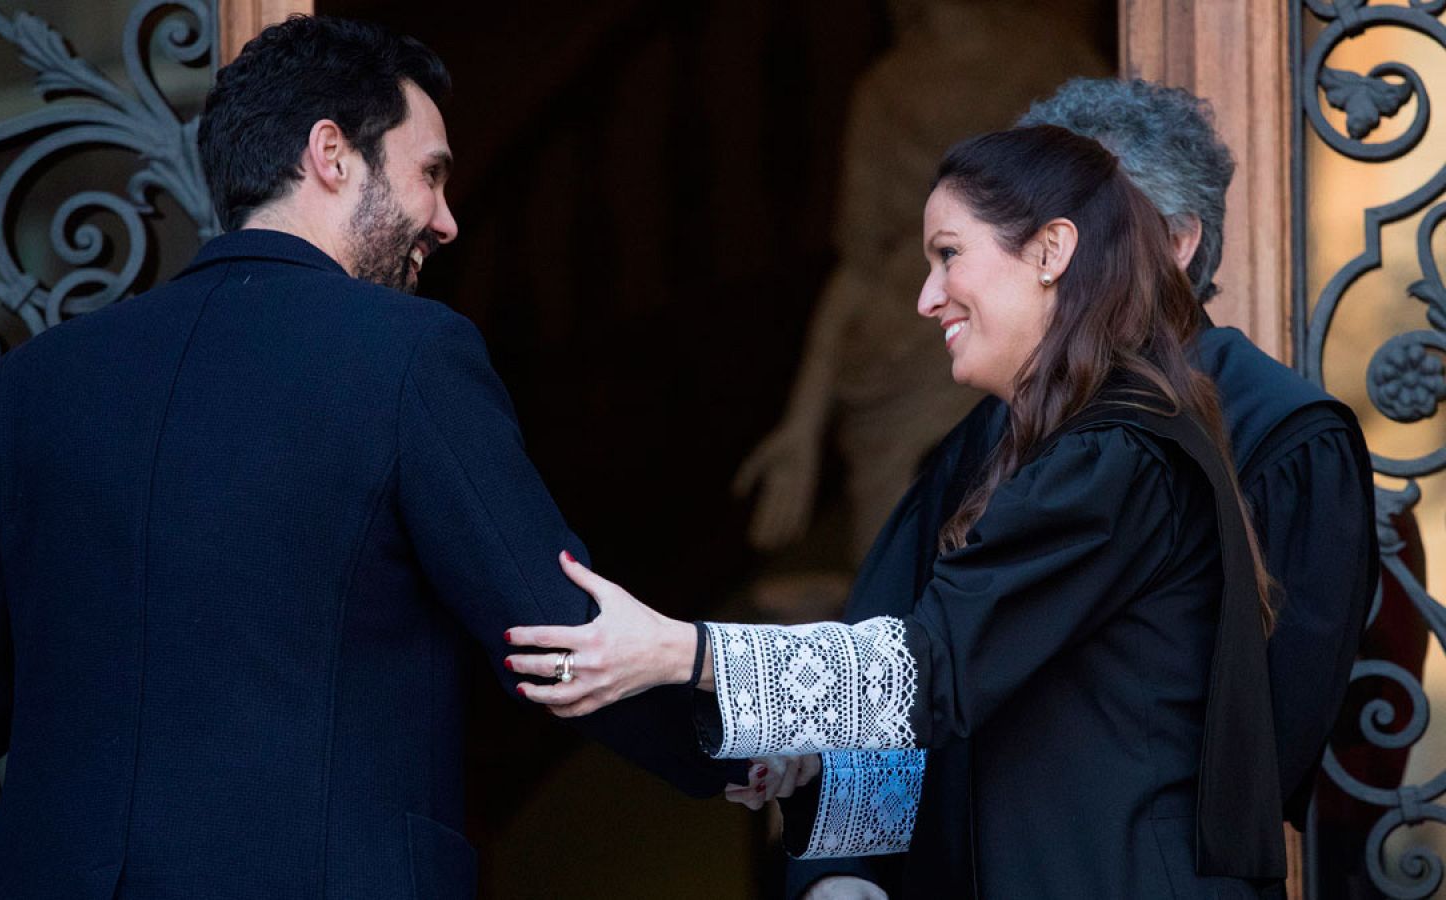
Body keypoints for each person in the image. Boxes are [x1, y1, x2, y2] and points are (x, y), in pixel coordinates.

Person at [0, 16, 736, 900]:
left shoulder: (31, 388)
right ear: (332, 154)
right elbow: (554, 633)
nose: (445, 220)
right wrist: (761, 748)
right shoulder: (409, 355)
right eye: (430, 174)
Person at [509, 124, 1300, 897]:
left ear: (1051, 252)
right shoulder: (1065, 445)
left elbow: (927, 670)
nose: (925, 299)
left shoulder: (1117, 456)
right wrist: (820, 787)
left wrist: (678, 650)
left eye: (948, 254)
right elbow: (962, 702)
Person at [775, 79, 1380, 900]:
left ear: (1174, 243)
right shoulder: (987, 434)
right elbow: (897, 656)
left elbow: (1266, 742)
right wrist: (850, 869)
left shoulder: (1285, 437)